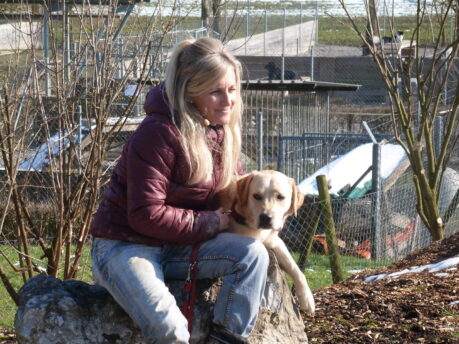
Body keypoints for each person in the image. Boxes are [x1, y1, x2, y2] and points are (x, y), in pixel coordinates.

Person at [90, 37, 269, 344]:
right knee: (171, 331)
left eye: (232, 89)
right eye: (216, 91)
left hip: (179, 245)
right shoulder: (158, 132)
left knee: (253, 255)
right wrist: (211, 222)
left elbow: (234, 197)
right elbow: (145, 215)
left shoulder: (220, 130)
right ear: (191, 92)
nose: (228, 101)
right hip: (125, 246)